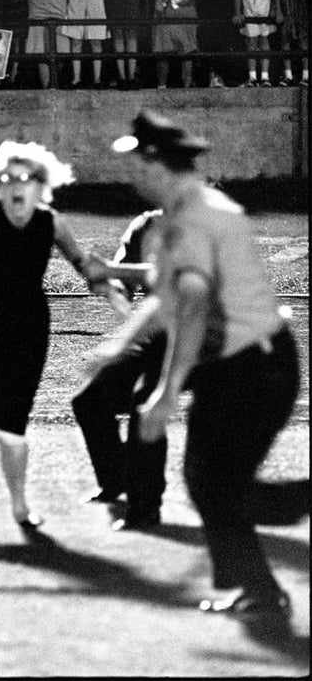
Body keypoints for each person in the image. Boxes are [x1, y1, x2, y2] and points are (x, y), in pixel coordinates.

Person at [89, 109, 300, 626]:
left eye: (136, 164)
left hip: (257, 369)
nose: (131, 174)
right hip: (235, 368)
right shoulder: (182, 214)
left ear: (159, 164)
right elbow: (165, 300)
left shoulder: (195, 219)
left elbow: (194, 307)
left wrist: (165, 391)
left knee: (218, 483)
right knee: (209, 480)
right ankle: (255, 588)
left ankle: (271, 560)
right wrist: (120, 343)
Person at [0, 141, 112, 528]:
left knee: (12, 424)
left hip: (25, 334)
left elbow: (82, 263)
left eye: (24, 177)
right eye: (5, 178)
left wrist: (107, 286)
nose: (14, 184)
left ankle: (18, 507)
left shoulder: (52, 223)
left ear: (40, 185)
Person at [72, 208, 168, 530]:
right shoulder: (145, 225)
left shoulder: (202, 222)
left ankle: (146, 506)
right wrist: (111, 284)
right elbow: (123, 280)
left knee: (146, 403)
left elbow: (169, 273)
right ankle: (115, 483)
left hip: (205, 333)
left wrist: (112, 270)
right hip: (155, 329)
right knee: (89, 399)